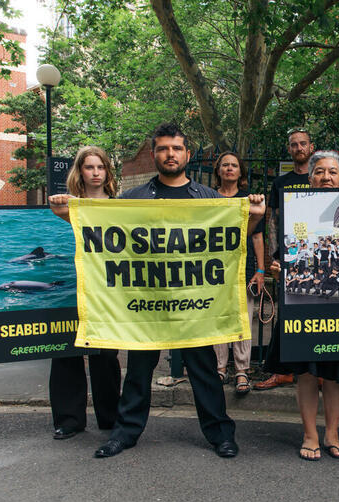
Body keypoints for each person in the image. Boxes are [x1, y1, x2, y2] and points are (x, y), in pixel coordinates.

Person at [49, 123, 266, 459]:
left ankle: (220, 434)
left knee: (204, 372)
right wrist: (68, 216)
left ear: (187, 155)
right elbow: (103, 238)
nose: (170, 154)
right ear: (154, 154)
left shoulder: (208, 199)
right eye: (164, 149)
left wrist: (253, 218)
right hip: (147, 308)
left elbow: (232, 240)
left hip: (194, 308)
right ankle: (124, 434)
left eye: (176, 149)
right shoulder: (132, 199)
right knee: (137, 373)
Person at [265, 150, 339, 460]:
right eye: (320, 172)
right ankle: (310, 435)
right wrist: (279, 264)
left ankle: (332, 434)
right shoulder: (297, 209)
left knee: (336, 371)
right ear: (310, 178)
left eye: (332, 172)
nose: (326, 177)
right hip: (303, 300)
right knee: (306, 371)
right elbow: (289, 249)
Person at [46, 146, 121, 440]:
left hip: (106, 289)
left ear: (107, 172)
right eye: (89, 167)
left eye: (100, 167)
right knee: (65, 353)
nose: (95, 173)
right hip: (71, 286)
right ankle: (69, 419)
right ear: (80, 171)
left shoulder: (119, 206)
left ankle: (110, 416)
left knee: (105, 354)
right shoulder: (63, 205)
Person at [255, 127, 314, 391]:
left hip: (319, 258)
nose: (299, 148)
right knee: (286, 315)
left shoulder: (321, 178)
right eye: (294, 145)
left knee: (319, 315)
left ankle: (318, 373)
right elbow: (273, 221)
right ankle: (282, 372)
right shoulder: (281, 182)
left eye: (303, 144)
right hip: (288, 260)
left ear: (311, 147)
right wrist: (272, 257)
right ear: (289, 150)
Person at [211, 151, 266, 396]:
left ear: (240, 172)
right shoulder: (209, 198)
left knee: (243, 318)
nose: (230, 168)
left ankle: (242, 370)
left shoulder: (249, 199)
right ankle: (219, 368)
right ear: (218, 170)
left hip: (245, 267)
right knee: (219, 318)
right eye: (225, 165)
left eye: (234, 165)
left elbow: (257, 236)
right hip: (214, 268)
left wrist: (261, 270)